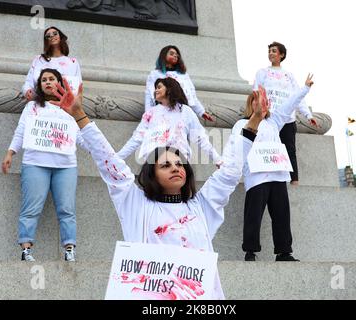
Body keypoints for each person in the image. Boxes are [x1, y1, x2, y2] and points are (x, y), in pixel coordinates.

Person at [48, 78, 266, 299]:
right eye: (165, 165)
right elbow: (109, 162)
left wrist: (254, 121)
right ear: (151, 174)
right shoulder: (135, 204)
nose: (175, 168)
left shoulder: (201, 207)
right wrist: (79, 116)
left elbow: (229, 173)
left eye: (179, 164)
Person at [2, 68, 88, 262]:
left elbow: (81, 136)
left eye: (52, 79)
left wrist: (102, 154)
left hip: (66, 165)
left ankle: (69, 249)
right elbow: (20, 132)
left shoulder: (69, 107)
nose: (48, 82)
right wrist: (10, 153)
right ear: (39, 85)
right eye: (44, 80)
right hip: (35, 163)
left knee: (67, 209)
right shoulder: (32, 107)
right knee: (31, 208)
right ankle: (26, 250)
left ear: (60, 83)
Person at [226, 74, 314, 262]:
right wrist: (224, 161)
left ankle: (284, 251)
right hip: (257, 176)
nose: (267, 105)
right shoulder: (242, 124)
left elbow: (290, 103)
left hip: (278, 176)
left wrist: (305, 88)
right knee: (253, 215)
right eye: (263, 102)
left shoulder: (274, 123)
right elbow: (234, 145)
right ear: (253, 104)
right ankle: (250, 251)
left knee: (282, 215)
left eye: (267, 102)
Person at [117, 77, 221, 166]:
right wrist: (118, 157)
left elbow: (200, 138)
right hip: (153, 163)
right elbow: (137, 138)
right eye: (155, 88)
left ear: (170, 89)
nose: (155, 91)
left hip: (178, 162)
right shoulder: (151, 113)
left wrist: (217, 159)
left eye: (159, 87)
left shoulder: (185, 111)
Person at [253, 41, 317, 185]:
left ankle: (294, 181)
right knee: (269, 148)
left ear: (281, 55)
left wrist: (308, 115)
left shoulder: (289, 75)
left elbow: (297, 97)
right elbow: (256, 93)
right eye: (269, 51)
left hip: (287, 119)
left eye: (274, 51)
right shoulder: (262, 72)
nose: (271, 53)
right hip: (268, 118)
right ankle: (270, 179)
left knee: (289, 149)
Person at [145, 45, 214, 122]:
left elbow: (191, 95)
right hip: (162, 110)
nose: (175, 55)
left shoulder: (183, 75)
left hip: (181, 111)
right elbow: (149, 95)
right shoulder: (155, 74)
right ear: (163, 56)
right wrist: (148, 114)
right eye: (171, 54)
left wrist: (201, 112)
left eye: (176, 55)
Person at [22, 26, 82, 102]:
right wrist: (27, 90)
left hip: (64, 104)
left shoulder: (72, 62)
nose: (52, 36)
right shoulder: (39, 60)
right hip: (40, 103)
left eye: (55, 33)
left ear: (60, 36)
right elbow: (29, 81)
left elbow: (78, 85)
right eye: (48, 36)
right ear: (46, 40)